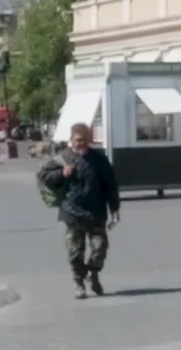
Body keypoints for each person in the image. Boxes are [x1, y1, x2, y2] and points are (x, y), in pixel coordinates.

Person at [40, 122, 121, 300]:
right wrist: (62, 173)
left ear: (89, 139)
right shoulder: (63, 158)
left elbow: (110, 184)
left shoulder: (99, 159)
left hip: (96, 212)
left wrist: (115, 208)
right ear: (71, 139)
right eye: (78, 140)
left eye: (84, 140)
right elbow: (44, 176)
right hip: (72, 213)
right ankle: (79, 282)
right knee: (75, 252)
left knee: (100, 248)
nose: (81, 143)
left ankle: (93, 273)